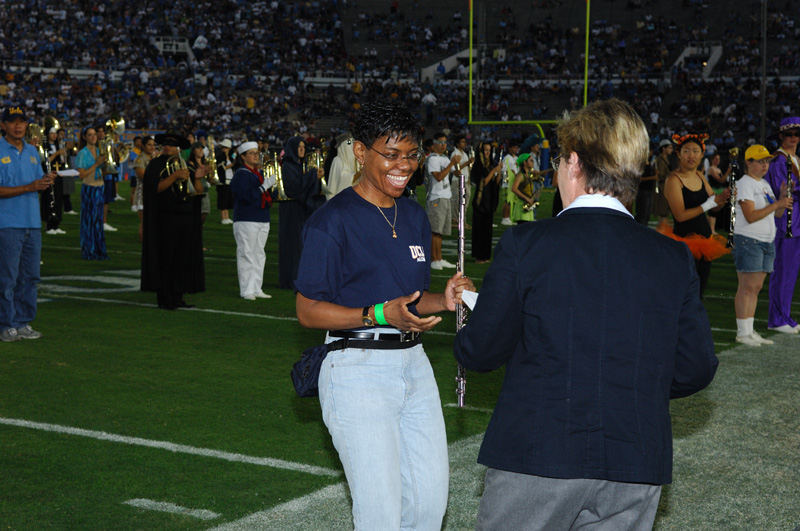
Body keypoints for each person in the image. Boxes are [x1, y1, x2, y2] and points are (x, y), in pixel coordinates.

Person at [453, 99, 719, 530]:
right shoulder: (671, 257)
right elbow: (696, 366)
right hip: (635, 456)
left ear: (573, 162)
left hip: (540, 452)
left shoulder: (528, 244)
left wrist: (468, 320)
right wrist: (628, 384)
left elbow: (481, 352)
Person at [294, 100, 472, 530]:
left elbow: (410, 299)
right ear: (360, 152)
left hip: (414, 365)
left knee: (430, 506)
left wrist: (444, 299)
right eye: (390, 154)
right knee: (381, 514)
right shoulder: (330, 220)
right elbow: (307, 310)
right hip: (356, 367)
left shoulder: (412, 214)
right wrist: (376, 313)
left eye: (411, 155)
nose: (404, 166)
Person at [0, 105, 55, 342]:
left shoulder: (33, 151)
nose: (18, 125)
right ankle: (6, 323)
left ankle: (23, 321)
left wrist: (45, 181)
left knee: (30, 276)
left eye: (21, 121)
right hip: (7, 223)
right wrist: (30, 187)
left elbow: (35, 183)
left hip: (32, 222)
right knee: (7, 278)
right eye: (13, 121)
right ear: (3, 125)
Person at [732, 145, 792, 346]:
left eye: (766, 161)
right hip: (750, 240)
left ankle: (749, 331)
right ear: (748, 163)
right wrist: (777, 204)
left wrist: (782, 199)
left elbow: (778, 214)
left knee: (756, 288)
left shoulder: (764, 184)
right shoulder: (745, 183)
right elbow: (750, 216)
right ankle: (742, 332)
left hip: (765, 241)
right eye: (760, 161)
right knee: (747, 287)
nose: (765, 165)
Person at [140, 132, 205, 310]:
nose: (167, 146)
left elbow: (197, 192)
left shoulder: (186, 165)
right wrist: (174, 176)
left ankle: (177, 296)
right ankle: (165, 298)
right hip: (166, 218)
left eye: (171, 144)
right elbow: (154, 189)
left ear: (178, 148)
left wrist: (197, 177)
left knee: (182, 259)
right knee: (166, 258)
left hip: (186, 217)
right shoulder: (156, 165)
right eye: (165, 143)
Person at [662, 134, 730, 297]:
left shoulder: (700, 176)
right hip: (685, 243)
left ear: (701, 154)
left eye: (695, 151)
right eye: (686, 151)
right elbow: (680, 216)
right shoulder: (673, 180)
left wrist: (723, 199)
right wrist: (710, 204)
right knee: (684, 292)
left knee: (699, 292)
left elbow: (714, 209)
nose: (691, 155)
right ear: (678, 154)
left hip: (705, 242)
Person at [764, 116, 800, 334]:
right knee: (783, 272)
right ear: (780, 136)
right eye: (789, 134)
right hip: (785, 220)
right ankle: (777, 319)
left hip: (796, 221)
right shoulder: (778, 161)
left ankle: (784, 316)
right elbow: (782, 190)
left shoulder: (796, 159)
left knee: (791, 272)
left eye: (797, 134)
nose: (793, 138)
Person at [230, 141, 276, 300]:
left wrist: (273, 186)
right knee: (247, 254)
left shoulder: (258, 173)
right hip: (246, 218)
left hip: (262, 217)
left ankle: (257, 287)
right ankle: (246, 290)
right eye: (251, 153)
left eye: (257, 152)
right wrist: (264, 187)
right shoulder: (241, 174)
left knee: (259, 254)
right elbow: (245, 197)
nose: (256, 155)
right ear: (243, 157)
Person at [278, 135, 324, 290]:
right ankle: (291, 280)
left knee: (302, 246)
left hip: (301, 209)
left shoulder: (299, 165)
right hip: (291, 211)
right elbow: (293, 189)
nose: (302, 150)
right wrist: (312, 175)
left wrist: (315, 178)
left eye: (303, 147)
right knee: (293, 246)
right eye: (299, 147)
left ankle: (299, 278)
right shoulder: (288, 166)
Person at [425, 131, 459, 270]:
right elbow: (438, 177)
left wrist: (460, 165)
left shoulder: (444, 158)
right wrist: (452, 163)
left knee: (441, 231)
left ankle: (439, 258)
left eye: (445, 142)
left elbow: (455, 173)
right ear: (435, 144)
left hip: (445, 196)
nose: (443, 145)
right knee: (435, 231)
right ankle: (434, 259)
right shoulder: (433, 159)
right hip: (436, 196)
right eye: (440, 142)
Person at [75, 126, 109, 260]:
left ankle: (99, 249)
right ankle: (89, 250)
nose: (93, 137)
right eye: (90, 135)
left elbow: (103, 171)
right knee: (89, 220)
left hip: (100, 187)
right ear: (85, 137)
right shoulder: (82, 153)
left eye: (94, 134)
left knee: (98, 221)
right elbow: (81, 174)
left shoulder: (100, 151)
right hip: (89, 188)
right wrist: (96, 164)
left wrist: (106, 165)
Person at [471, 142, 503, 263]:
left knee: (487, 231)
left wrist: (498, 172)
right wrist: (493, 171)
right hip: (481, 202)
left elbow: (494, 183)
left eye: (489, 150)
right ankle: (479, 256)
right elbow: (482, 183)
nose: (487, 153)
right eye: (485, 150)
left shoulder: (491, 165)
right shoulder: (478, 166)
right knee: (479, 230)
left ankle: (485, 255)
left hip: (489, 202)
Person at [42, 126, 66, 234]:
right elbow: (45, 161)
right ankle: (49, 225)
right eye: (52, 133)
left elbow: (62, 162)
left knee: (58, 199)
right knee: (49, 199)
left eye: (55, 133)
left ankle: (56, 224)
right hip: (48, 175)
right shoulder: (44, 147)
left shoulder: (58, 145)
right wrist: (57, 153)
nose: (54, 135)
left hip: (58, 175)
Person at [132, 135, 156, 242]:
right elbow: (144, 177)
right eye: (149, 145)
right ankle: (145, 248)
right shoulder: (140, 160)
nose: (152, 147)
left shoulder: (154, 158)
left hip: (153, 194)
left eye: (153, 145)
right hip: (143, 195)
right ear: (143, 146)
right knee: (145, 223)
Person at [450, 134, 474, 226]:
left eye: (465, 142)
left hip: (466, 180)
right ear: (457, 143)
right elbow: (457, 168)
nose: (464, 144)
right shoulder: (455, 154)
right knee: (457, 200)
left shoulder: (464, 154)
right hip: (458, 179)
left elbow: (467, 168)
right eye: (462, 142)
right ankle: (455, 220)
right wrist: (468, 162)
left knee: (466, 200)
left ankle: (462, 219)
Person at [325, 132, 359, 199]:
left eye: (353, 142)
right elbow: (342, 179)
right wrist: (357, 174)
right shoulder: (337, 161)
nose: (352, 145)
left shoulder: (356, 160)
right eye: (349, 142)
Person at [653, 138, 674, 225]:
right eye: (669, 148)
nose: (671, 150)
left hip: (666, 188)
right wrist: (672, 174)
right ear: (663, 149)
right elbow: (660, 176)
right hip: (662, 188)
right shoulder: (660, 160)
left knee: (665, 212)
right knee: (663, 213)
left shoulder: (665, 159)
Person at [216, 138, 235, 225]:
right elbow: (220, 168)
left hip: (229, 180)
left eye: (225, 147)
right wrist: (231, 165)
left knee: (227, 199)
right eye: (223, 147)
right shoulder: (220, 156)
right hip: (222, 181)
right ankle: (223, 218)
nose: (224, 149)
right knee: (222, 199)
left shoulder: (230, 157)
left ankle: (226, 217)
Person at [500, 141, 520, 225]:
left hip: (514, 183)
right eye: (513, 147)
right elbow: (503, 170)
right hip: (507, 183)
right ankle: (505, 218)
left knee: (512, 201)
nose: (515, 149)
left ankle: (510, 217)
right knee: (507, 201)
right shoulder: (507, 158)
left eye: (516, 147)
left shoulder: (516, 158)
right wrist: (511, 173)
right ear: (510, 148)